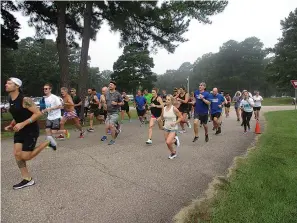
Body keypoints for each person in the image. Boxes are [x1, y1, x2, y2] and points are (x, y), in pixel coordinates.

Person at [4, 78, 51, 189]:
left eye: (9, 83)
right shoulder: (10, 98)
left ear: (17, 86)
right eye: (7, 83)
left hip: (30, 130)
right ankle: (27, 179)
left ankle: (48, 142)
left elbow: (38, 114)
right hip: (20, 130)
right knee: (17, 154)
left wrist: (23, 124)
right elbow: (18, 114)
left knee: (25, 156)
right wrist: (12, 124)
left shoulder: (25, 99)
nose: (6, 84)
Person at [157, 94, 182, 159]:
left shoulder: (174, 109)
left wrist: (175, 122)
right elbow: (162, 117)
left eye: (169, 100)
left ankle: (175, 140)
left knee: (168, 141)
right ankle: (173, 152)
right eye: (166, 99)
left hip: (173, 128)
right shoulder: (164, 108)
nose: (167, 101)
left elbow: (180, 117)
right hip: (166, 127)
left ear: (171, 101)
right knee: (167, 143)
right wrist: (159, 120)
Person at [100, 81, 123, 145]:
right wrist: (104, 103)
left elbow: (122, 103)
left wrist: (117, 103)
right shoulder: (107, 93)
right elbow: (103, 98)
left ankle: (113, 140)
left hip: (115, 113)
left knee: (111, 125)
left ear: (115, 86)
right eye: (109, 84)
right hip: (108, 113)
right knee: (107, 126)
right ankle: (117, 131)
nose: (110, 86)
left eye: (111, 85)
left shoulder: (117, 94)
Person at [42, 83, 63, 150]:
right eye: (44, 89)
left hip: (56, 117)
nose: (45, 90)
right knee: (47, 130)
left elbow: (60, 106)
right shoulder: (45, 98)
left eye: (46, 89)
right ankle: (51, 144)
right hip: (49, 117)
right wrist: (44, 111)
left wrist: (50, 109)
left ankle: (64, 131)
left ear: (50, 89)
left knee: (53, 132)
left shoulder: (54, 97)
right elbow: (48, 107)